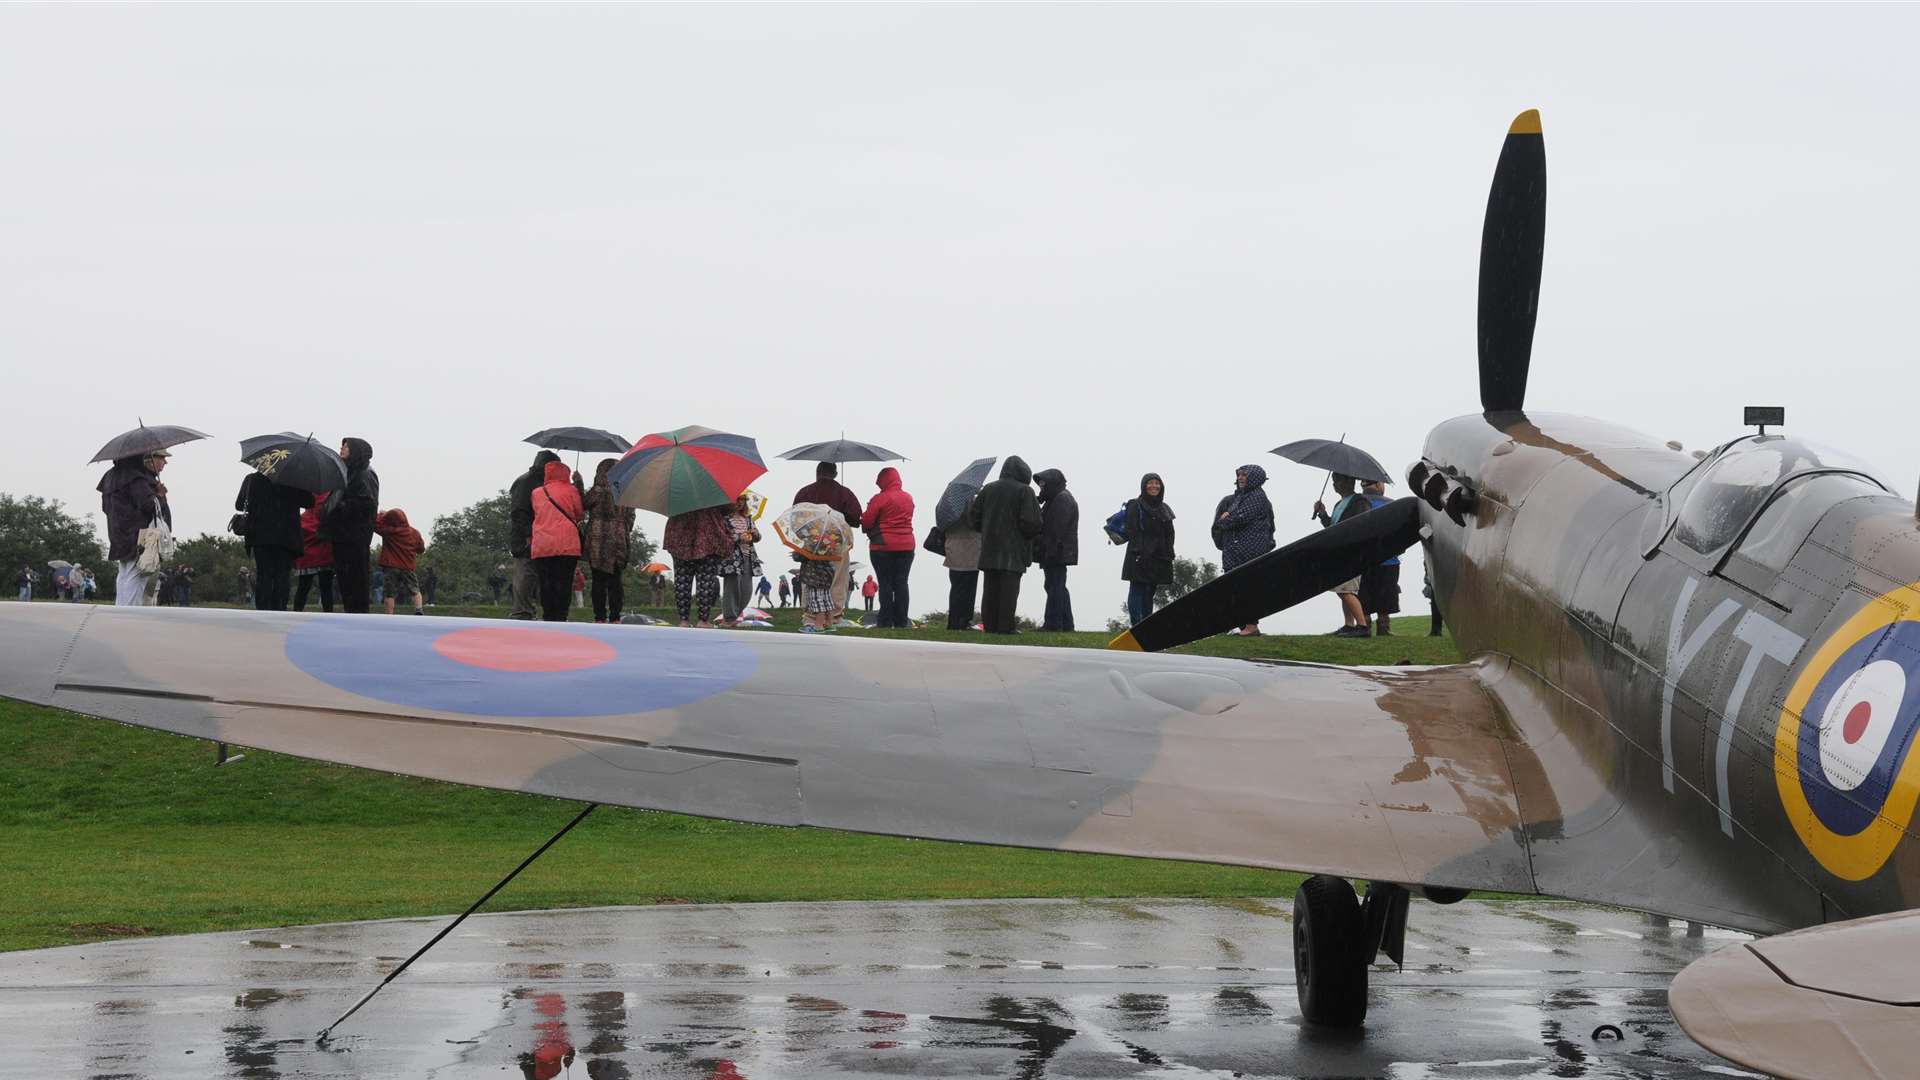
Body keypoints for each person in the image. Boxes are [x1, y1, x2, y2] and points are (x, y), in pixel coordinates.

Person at [969, 456, 1042, 634]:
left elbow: (973, 518)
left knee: (990, 590)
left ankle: (990, 626)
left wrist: (987, 530)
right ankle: (1005, 627)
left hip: (990, 547)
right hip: (1014, 550)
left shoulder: (988, 489)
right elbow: (1032, 522)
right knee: (1009, 591)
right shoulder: (1025, 491)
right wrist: (1026, 536)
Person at [234, 466, 313, 612]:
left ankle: (263, 608)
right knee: (282, 574)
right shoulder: (292, 480)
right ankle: (280, 608)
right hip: (286, 536)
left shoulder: (252, 479)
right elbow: (310, 502)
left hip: (260, 535)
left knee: (264, 573)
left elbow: (239, 504)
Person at [792, 462, 865, 621]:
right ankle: (834, 616)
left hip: (812, 540)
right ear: (835, 474)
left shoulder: (805, 492)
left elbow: (795, 518)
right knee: (838, 579)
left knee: (811, 577)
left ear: (818, 472)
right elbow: (855, 518)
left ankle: (810, 615)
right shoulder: (844, 493)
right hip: (837, 541)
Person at [99, 450, 171, 606]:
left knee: (124, 574)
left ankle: (121, 613)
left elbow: (105, 508)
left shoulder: (111, 477)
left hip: (118, 533)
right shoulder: (135, 477)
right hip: (138, 535)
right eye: (162, 458)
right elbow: (149, 505)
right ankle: (129, 616)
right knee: (137, 576)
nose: (165, 462)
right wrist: (159, 494)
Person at [1215, 464, 1276, 636]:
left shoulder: (1256, 497)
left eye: (1244, 475)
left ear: (1254, 478)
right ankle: (1243, 626)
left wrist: (1224, 519)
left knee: (1248, 589)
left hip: (1249, 552)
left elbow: (1237, 519)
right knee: (1238, 590)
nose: (1240, 478)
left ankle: (1251, 626)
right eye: (1239, 475)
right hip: (1237, 552)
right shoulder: (1243, 496)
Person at [324, 438, 379, 614]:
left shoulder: (364, 473)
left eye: (346, 446)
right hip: (342, 534)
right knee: (345, 579)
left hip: (355, 536)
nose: (341, 448)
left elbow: (367, 504)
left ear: (355, 451)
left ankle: (358, 615)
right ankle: (351, 613)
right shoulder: (348, 472)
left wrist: (342, 506)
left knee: (356, 579)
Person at [1312, 474, 1371, 637]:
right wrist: (1323, 514)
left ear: (1348, 481)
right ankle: (1349, 625)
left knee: (1345, 590)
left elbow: (1359, 525)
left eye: (1336, 481)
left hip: (1351, 554)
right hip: (1341, 553)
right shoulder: (1339, 503)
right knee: (1345, 590)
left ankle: (1362, 626)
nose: (1334, 485)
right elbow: (1332, 527)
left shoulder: (1360, 502)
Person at [528, 458, 586, 622]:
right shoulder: (571, 490)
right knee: (564, 582)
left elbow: (536, 513)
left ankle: (548, 615)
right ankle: (561, 616)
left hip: (542, 544)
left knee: (546, 582)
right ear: (566, 473)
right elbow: (579, 514)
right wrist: (578, 484)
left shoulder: (536, 492)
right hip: (567, 544)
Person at [507, 451, 561, 620]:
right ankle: (522, 612)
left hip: (537, 535)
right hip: (526, 538)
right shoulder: (527, 482)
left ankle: (528, 611)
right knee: (526, 573)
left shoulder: (537, 481)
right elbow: (518, 512)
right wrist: (528, 534)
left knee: (533, 576)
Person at [583, 459, 637, 624]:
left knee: (598, 579)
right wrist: (623, 528)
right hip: (618, 539)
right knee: (615, 579)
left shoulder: (596, 491)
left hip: (597, 540)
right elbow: (631, 517)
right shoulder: (625, 490)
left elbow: (583, 505)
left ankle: (599, 616)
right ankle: (615, 616)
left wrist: (578, 484)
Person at [861, 466, 916, 628]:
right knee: (901, 583)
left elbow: (866, 523)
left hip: (882, 547)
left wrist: (867, 510)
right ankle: (901, 621)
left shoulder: (880, 498)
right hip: (907, 546)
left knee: (885, 584)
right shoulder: (908, 497)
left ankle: (885, 621)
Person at [662, 503, 733, 627]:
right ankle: (702, 620)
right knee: (705, 581)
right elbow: (729, 510)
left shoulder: (678, 489)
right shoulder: (715, 489)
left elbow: (668, 508)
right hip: (708, 537)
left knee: (682, 581)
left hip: (680, 537)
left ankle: (684, 620)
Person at [1121, 473, 1175, 626]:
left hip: (1159, 556)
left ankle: (1146, 625)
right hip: (1139, 555)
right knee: (1137, 589)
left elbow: (1170, 533)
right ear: (1144, 486)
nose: (1154, 486)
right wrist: (1141, 551)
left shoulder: (1164, 508)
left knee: (1150, 591)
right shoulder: (1134, 504)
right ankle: (1136, 624)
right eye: (1150, 483)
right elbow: (1132, 531)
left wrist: (1169, 552)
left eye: (1157, 483)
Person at [1034, 468, 1078, 633]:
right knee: (1056, 586)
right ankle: (1066, 623)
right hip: (1057, 550)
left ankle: (1053, 623)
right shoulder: (1055, 498)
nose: (1042, 489)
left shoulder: (1062, 499)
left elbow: (1056, 530)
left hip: (1057, 551)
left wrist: (1049, 550)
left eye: (1044, 485)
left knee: (1055, 587)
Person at [1358, 479, 1401, 636]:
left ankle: (1365, 625)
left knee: (1364, 594)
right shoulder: (1391, 504)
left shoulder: (1355, 504)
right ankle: (1384, 628)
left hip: (1363, 559)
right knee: (1386, 594)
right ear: (1377, 484)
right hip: (1388, 558)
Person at [375, 509, 427, 615]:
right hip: (408, 566)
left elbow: (374, 523)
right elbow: (421, 549)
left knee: (389, 593)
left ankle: (389, 614)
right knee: (414, 589)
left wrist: (381, 515)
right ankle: (419, 609)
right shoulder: (414, 533)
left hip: (391, 566)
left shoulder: (388, 531)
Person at [719, 493, 761, 624]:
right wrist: (738, 537)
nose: (740, 502)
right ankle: (729, 618)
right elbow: (722, 538)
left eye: (743, 500)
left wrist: (755, 534)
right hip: (731, 558)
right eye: (737, 499)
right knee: (731, 588)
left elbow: (758, 537)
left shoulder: (748, 519)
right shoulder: (724, 519)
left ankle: (734, 616)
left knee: (746, 589)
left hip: (748, 557)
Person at [293, 493, 335, 613]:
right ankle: (328, 613)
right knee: (326, 587)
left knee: (303, 587)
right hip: (324, 555)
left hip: (307, 557)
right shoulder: (328, 508)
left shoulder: (305, 516)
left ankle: (297, 611)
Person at [941, 510, 982, 630]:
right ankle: (965, 620)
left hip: (953, 549)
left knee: (956, 588)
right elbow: (974, 524)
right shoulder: (970, 505)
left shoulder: (948, 509)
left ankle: (953, 621)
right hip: (971, 549)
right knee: (969, 589)